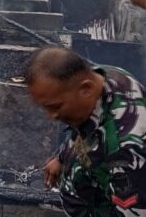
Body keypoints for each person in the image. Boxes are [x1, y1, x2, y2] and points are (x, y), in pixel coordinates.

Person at [26, 47, 146, 216]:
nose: (51, 116)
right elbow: (85, 126)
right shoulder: (105, 77)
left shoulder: (125, 151)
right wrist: (62, 156)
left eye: (55, 106)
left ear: (86, 89)